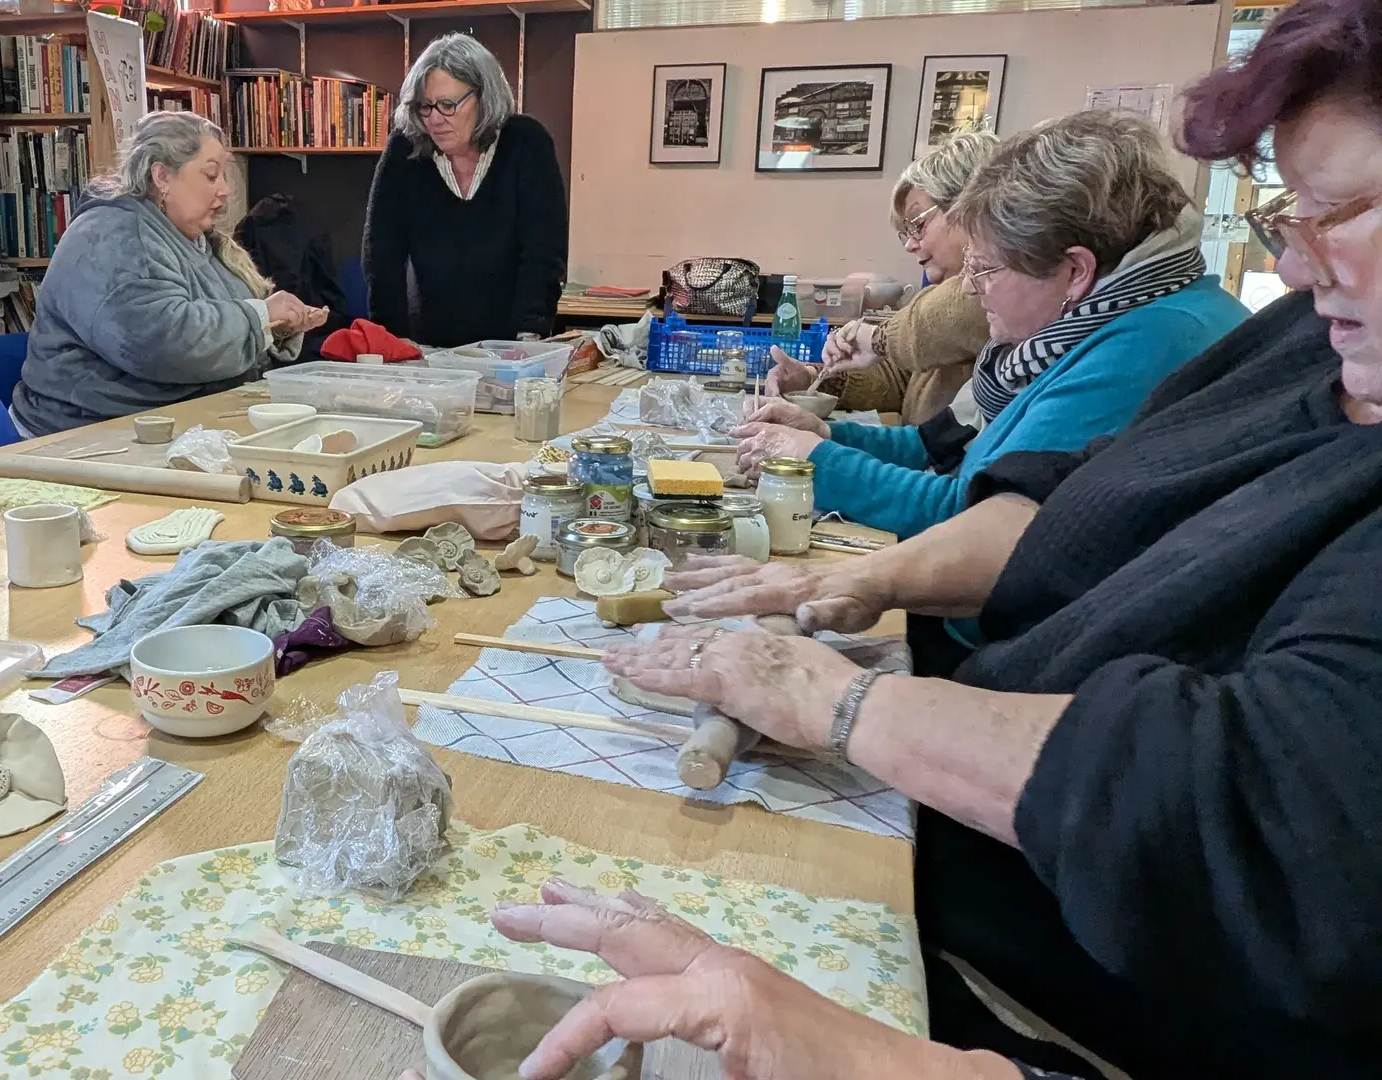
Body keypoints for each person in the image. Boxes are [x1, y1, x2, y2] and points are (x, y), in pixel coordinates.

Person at [581, 1, 1382, 1074]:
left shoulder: (1167, 334)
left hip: (1088, 961)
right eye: (1291, 219)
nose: (1295, 267)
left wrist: (838, 696)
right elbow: (1049, 499)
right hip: (985, 832)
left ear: (1078, 270)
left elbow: (1256, 806)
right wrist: (857, 585)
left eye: (1336, 212)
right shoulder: (1301, 349)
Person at [734, 110, 1247, 540]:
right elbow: (943, 446)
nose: (972, 290)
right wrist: (825, 432)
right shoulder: (1091, 320)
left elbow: (967, 515)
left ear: (1075, 271)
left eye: (984, 270)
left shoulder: (1148, 343)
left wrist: (818, 461)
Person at [11, 111, 328, 436]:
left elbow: (226, 316)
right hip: (84, 436)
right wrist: (260, 317)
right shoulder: (116, 235)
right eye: (210, 175)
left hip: (170, 424)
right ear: (162, 176)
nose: (224, 191)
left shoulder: (192, 237)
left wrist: (277, 326)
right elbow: (162, 342)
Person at [763, 132, 996, 425]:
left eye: (918, 225)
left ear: (972, 208)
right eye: (907, 232)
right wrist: (812, 378)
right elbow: (902, 378)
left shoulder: (992, 294)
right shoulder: (939, 307)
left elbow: (959, 309)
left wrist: (878, 338)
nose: (910, 243)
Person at [363, 33, 567, 346]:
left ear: (484, 97)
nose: (435, 120)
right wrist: (392, 342)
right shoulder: (405, 151)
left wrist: (529, 336)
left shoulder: (527, 143)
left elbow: (543, 253)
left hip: (511, 342)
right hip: (427, 342)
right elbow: (381, 256)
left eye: (447, 105)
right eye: (425, 106)